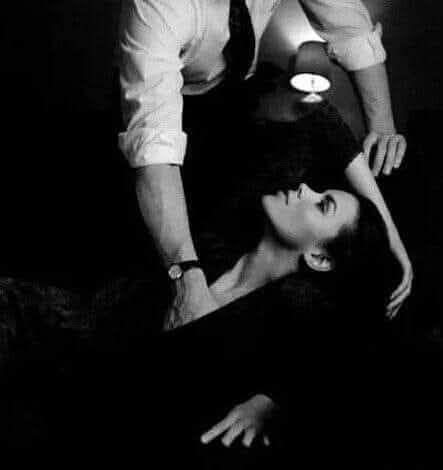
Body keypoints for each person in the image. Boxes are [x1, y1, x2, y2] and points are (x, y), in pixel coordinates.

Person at [116, 0, 409, 330]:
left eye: (322, 203)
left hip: (241, 93)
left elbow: (350, 28)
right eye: (322, 201)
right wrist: (187, 281)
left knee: (306, 105)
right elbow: (155, 148)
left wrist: (389, 237)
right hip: (172, 112)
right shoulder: (157, 7)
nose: (304, 189)